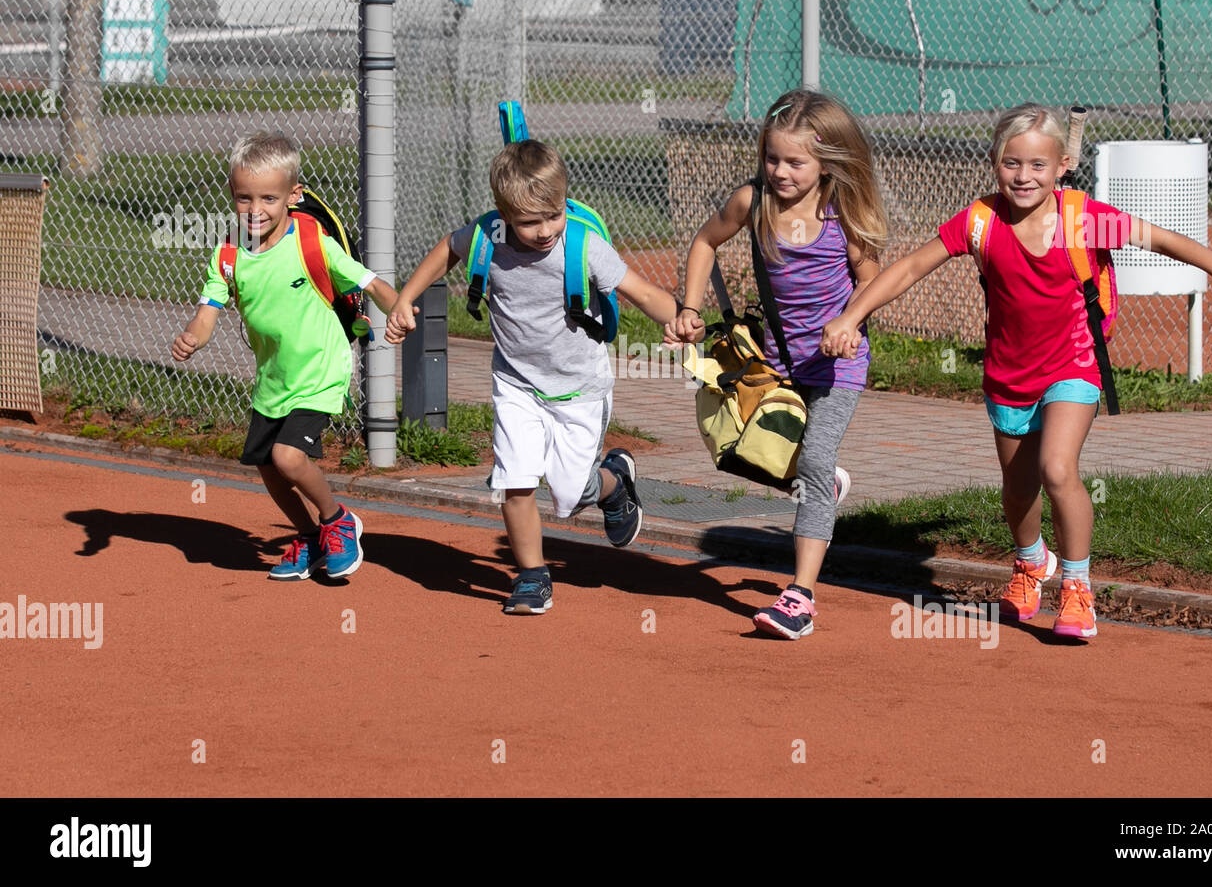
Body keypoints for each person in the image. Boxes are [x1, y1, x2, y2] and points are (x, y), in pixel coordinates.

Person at [821, 102, 1212, 639]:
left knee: (1057, 468)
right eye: (1011, 163)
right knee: (1017, 489)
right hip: (1008, 374)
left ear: (1061, 167)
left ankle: (1077, 587)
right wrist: (851, 314)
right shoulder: (979, 221)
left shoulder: (1084, 217)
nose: (1023, 176)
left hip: (1074, 364)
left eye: (1037, 165)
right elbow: (911, 266)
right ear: (994, 162)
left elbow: (1161, 238)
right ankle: (1031, 563)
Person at [386, 139, 679, 615]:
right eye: (528, 221)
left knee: (569, 492)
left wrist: (678, 317)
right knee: (515, 480)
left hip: (579, 389)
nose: (544, 231)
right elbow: (448, 249)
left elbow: (643, 293)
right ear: (503, 214)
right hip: (516, 384)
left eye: (553, 214)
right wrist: (406, 297)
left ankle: (614, 482)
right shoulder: (487, 236)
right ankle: (532, 576)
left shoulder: (584, 247)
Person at [665, 89, 888, 640]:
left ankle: (800, 596)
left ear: (827, 162)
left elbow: (872, 278)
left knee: (812, 460)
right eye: (772, 158)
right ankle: (821, 481)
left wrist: (851, 324)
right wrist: (689, 307)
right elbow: (704, 242)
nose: (780, 171)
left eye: (796, 162)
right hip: (777, 361)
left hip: (838, 365)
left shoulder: (842, 209)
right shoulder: (753, 201)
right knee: (740, 448)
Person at [172, 131, 398, 581]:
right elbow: (207, 313)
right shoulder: (228, 255)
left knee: (289, 457)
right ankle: (309, 537)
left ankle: (338, 522)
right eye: (244, 198)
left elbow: (369, 282)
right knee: (267, 465)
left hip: (321, 368)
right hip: (273, 380)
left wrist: (400, 308)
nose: (255, 210)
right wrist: (192, 338)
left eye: (269, 198)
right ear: (232, 194)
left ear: (293, 196)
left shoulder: (312, 242)